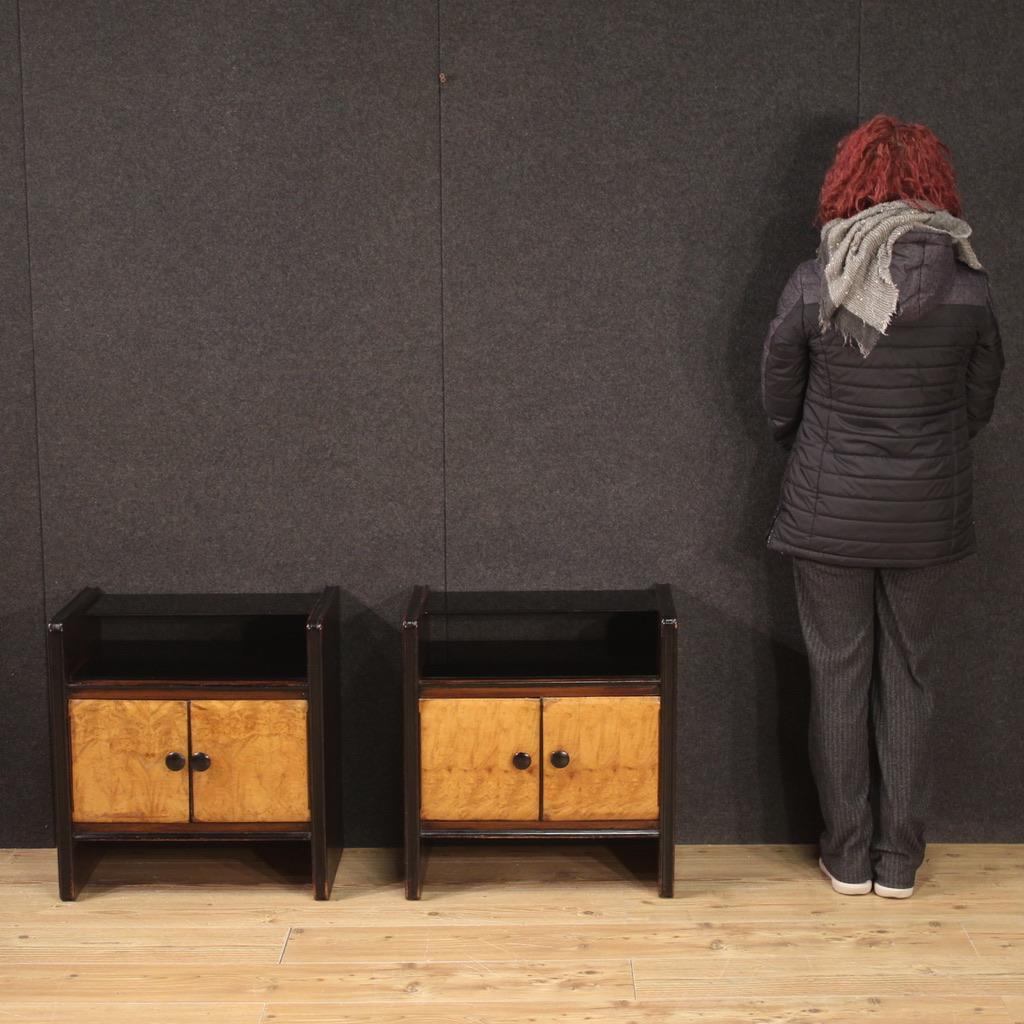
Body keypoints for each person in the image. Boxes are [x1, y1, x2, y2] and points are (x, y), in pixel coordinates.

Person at [760, 115, 1004, 899]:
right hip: (928, 520)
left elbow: (778, 396)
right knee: (910, 678)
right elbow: (979, 402)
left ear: (847, 184)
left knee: (837, 677)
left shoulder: (818, 280)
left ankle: (847, 857)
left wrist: (814, 448)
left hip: (827, 512)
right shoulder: (971, 287)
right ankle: (899, 864)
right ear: (937, 187)